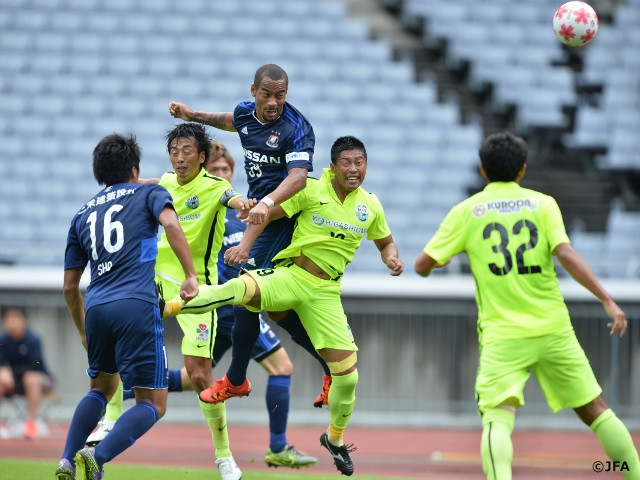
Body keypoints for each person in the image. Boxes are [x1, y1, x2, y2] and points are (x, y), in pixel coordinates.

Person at [163, 136, 405, 476]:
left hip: (326, 294)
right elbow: (266, 214)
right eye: (346, 163)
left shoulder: (371, 205)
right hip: (292, 276)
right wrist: (246, 248)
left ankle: (334, 439)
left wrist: (391, 258)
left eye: (359, 163)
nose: (353, 169)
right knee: (239, 289)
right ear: (332, 167)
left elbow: (386, 241)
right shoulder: (310, 189)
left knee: (348, 378)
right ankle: (169, 306)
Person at [414, 130, 640, 480]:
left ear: (482, 170)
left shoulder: (466, 212)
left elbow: (423, 264)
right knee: (596, 410)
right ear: (522, 170)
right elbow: (565, 252)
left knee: (497, 418)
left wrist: (440, 261)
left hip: (503, 336)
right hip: (553, 329)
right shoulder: (543, 204)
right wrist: (607, 299)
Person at [86, 140, 317, 469]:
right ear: (205, 170)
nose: (222, 174)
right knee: (246, 371)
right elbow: (147, 186)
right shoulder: (185, 198)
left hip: (226, 305)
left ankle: (128, 392)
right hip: (208, 301)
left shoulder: (236, 215)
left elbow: (257, 238)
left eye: (227, 170)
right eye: (217, 169)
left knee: (199, 376)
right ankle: (272, 447)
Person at [168, 63, 334, 409]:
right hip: (263, 213)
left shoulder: (296, 127)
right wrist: (191, 115)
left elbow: (299, 178)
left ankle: (236, 379)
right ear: (253, 91)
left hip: (287, 215)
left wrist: (267, 205)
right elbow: (229, 121)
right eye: (267, 94)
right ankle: (330, 367)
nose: (274, 102)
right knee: (276, 308)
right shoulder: (246, 115)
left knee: (247, 288)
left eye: (281, 95)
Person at [56, 133, 199, 480]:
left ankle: (65, 459)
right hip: (136, 304)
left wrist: (82, 330)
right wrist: (190, 275)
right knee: (153, 403)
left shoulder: (82, 214)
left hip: (98, 308)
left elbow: (70, 286)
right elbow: (170, 223)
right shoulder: (150, 193)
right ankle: (98, 457)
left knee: (102, 390)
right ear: (135, 169)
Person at [0, 306, 54, 440]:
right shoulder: (2, 341)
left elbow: (36, 364)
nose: (13, 323)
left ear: (23, 321)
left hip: (39, 380)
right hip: (12, 383)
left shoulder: (33, 340)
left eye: (16, 319)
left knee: (31, 378)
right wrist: (3, 370)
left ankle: (31, 423)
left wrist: (11, 371)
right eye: (9, 319)